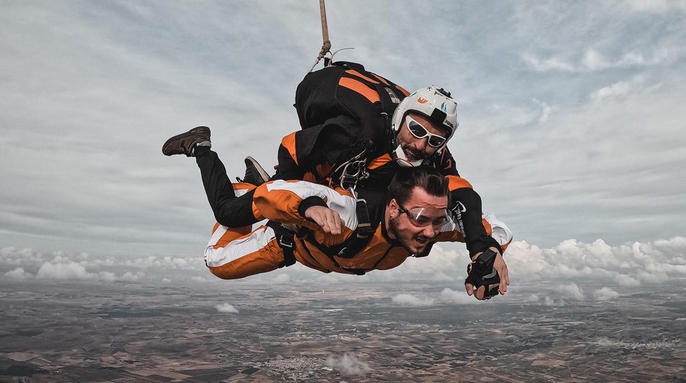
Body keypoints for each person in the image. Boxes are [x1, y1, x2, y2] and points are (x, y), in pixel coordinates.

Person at [162, 61, 501, 263]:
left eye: (435, 139)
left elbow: (464, 195)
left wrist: (479, 249)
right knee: (227, 212)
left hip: (345, 179)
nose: (420, 144)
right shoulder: (356, 134)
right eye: (415, 129)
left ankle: (262, 185)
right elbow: (292, 146)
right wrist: (298, 203)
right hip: (310, 170)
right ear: (400, 118)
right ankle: (201, 147)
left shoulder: (434, 155)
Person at [163, 128, 512, 300]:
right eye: (420, 218)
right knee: (218, 261)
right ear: (394, 207)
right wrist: (309, 206)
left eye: (437, 221)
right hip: (289, 241)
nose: (431, 231)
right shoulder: (349, 212)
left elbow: (496, 226)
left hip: (328, 251)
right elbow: (284, 192)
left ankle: (256, 191)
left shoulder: (432, 222)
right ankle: (204, 150)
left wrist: (489, 248)